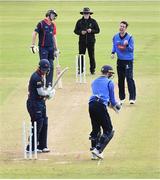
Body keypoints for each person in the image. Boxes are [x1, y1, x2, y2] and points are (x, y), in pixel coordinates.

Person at [89, 65, 121, 160]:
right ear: (108, 73)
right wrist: (117, 107)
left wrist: (111, 106)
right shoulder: (109, 82)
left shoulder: (94, 82)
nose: (111, 75)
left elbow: (102, 97)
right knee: (109, 130)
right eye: (111, 73)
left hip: (91, 104)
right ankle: (98, 150)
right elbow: (112, 101)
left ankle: (94, 152)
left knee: (96, 129)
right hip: (100, 106)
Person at [26, 59, 55, 153]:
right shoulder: (36, 77)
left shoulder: (42, 76)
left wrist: (48, 92)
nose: (45, 71)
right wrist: (48, 93)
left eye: (46, 70)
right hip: (34, 104)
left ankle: (43, 145)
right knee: (38, 123)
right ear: (39, 68)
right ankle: (32, 146)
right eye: (43, 69)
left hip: (40, 102)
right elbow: (40, 92)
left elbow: (43, 92)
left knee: (44, 122)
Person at [30, 9, 59, 88]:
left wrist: (56, 49)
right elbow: (35, 33)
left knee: (51, 66)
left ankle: (49, 84)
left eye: (54, 15)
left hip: (51, 48)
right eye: (53, 15)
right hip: (43, 48)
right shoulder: (41, 23)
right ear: (49, 14)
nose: (54, 17)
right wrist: (32, 45)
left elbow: (54, 36)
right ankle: (40, 82)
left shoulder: (53, 25)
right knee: (44, 66)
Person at [111, 21, 136, 105]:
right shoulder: (115, 37)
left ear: (126, 28)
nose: (121, 28)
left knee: (129, 78)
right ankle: (122, 98)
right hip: (120, 60)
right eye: (120, 26)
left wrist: (127, 45)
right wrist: (113, 53)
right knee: (120, 79)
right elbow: (114, 46)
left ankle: (132, 98)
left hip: (128, 60)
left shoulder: (129, 38)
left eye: (123, 27)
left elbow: (132, 49)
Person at [74, 7, 100, 75]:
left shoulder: (93, 21)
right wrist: (81, 32)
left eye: (87, 13)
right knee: (81, 55)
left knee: (91, 55)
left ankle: (92, 70)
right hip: (82, 42)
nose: (86, 14)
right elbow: (75, 31)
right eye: (85, 13)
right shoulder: (79, 21)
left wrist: (91, 31)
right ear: (83, 14)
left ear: (89, 14)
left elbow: (97, 30)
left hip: (91, 41)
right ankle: (80, 70)